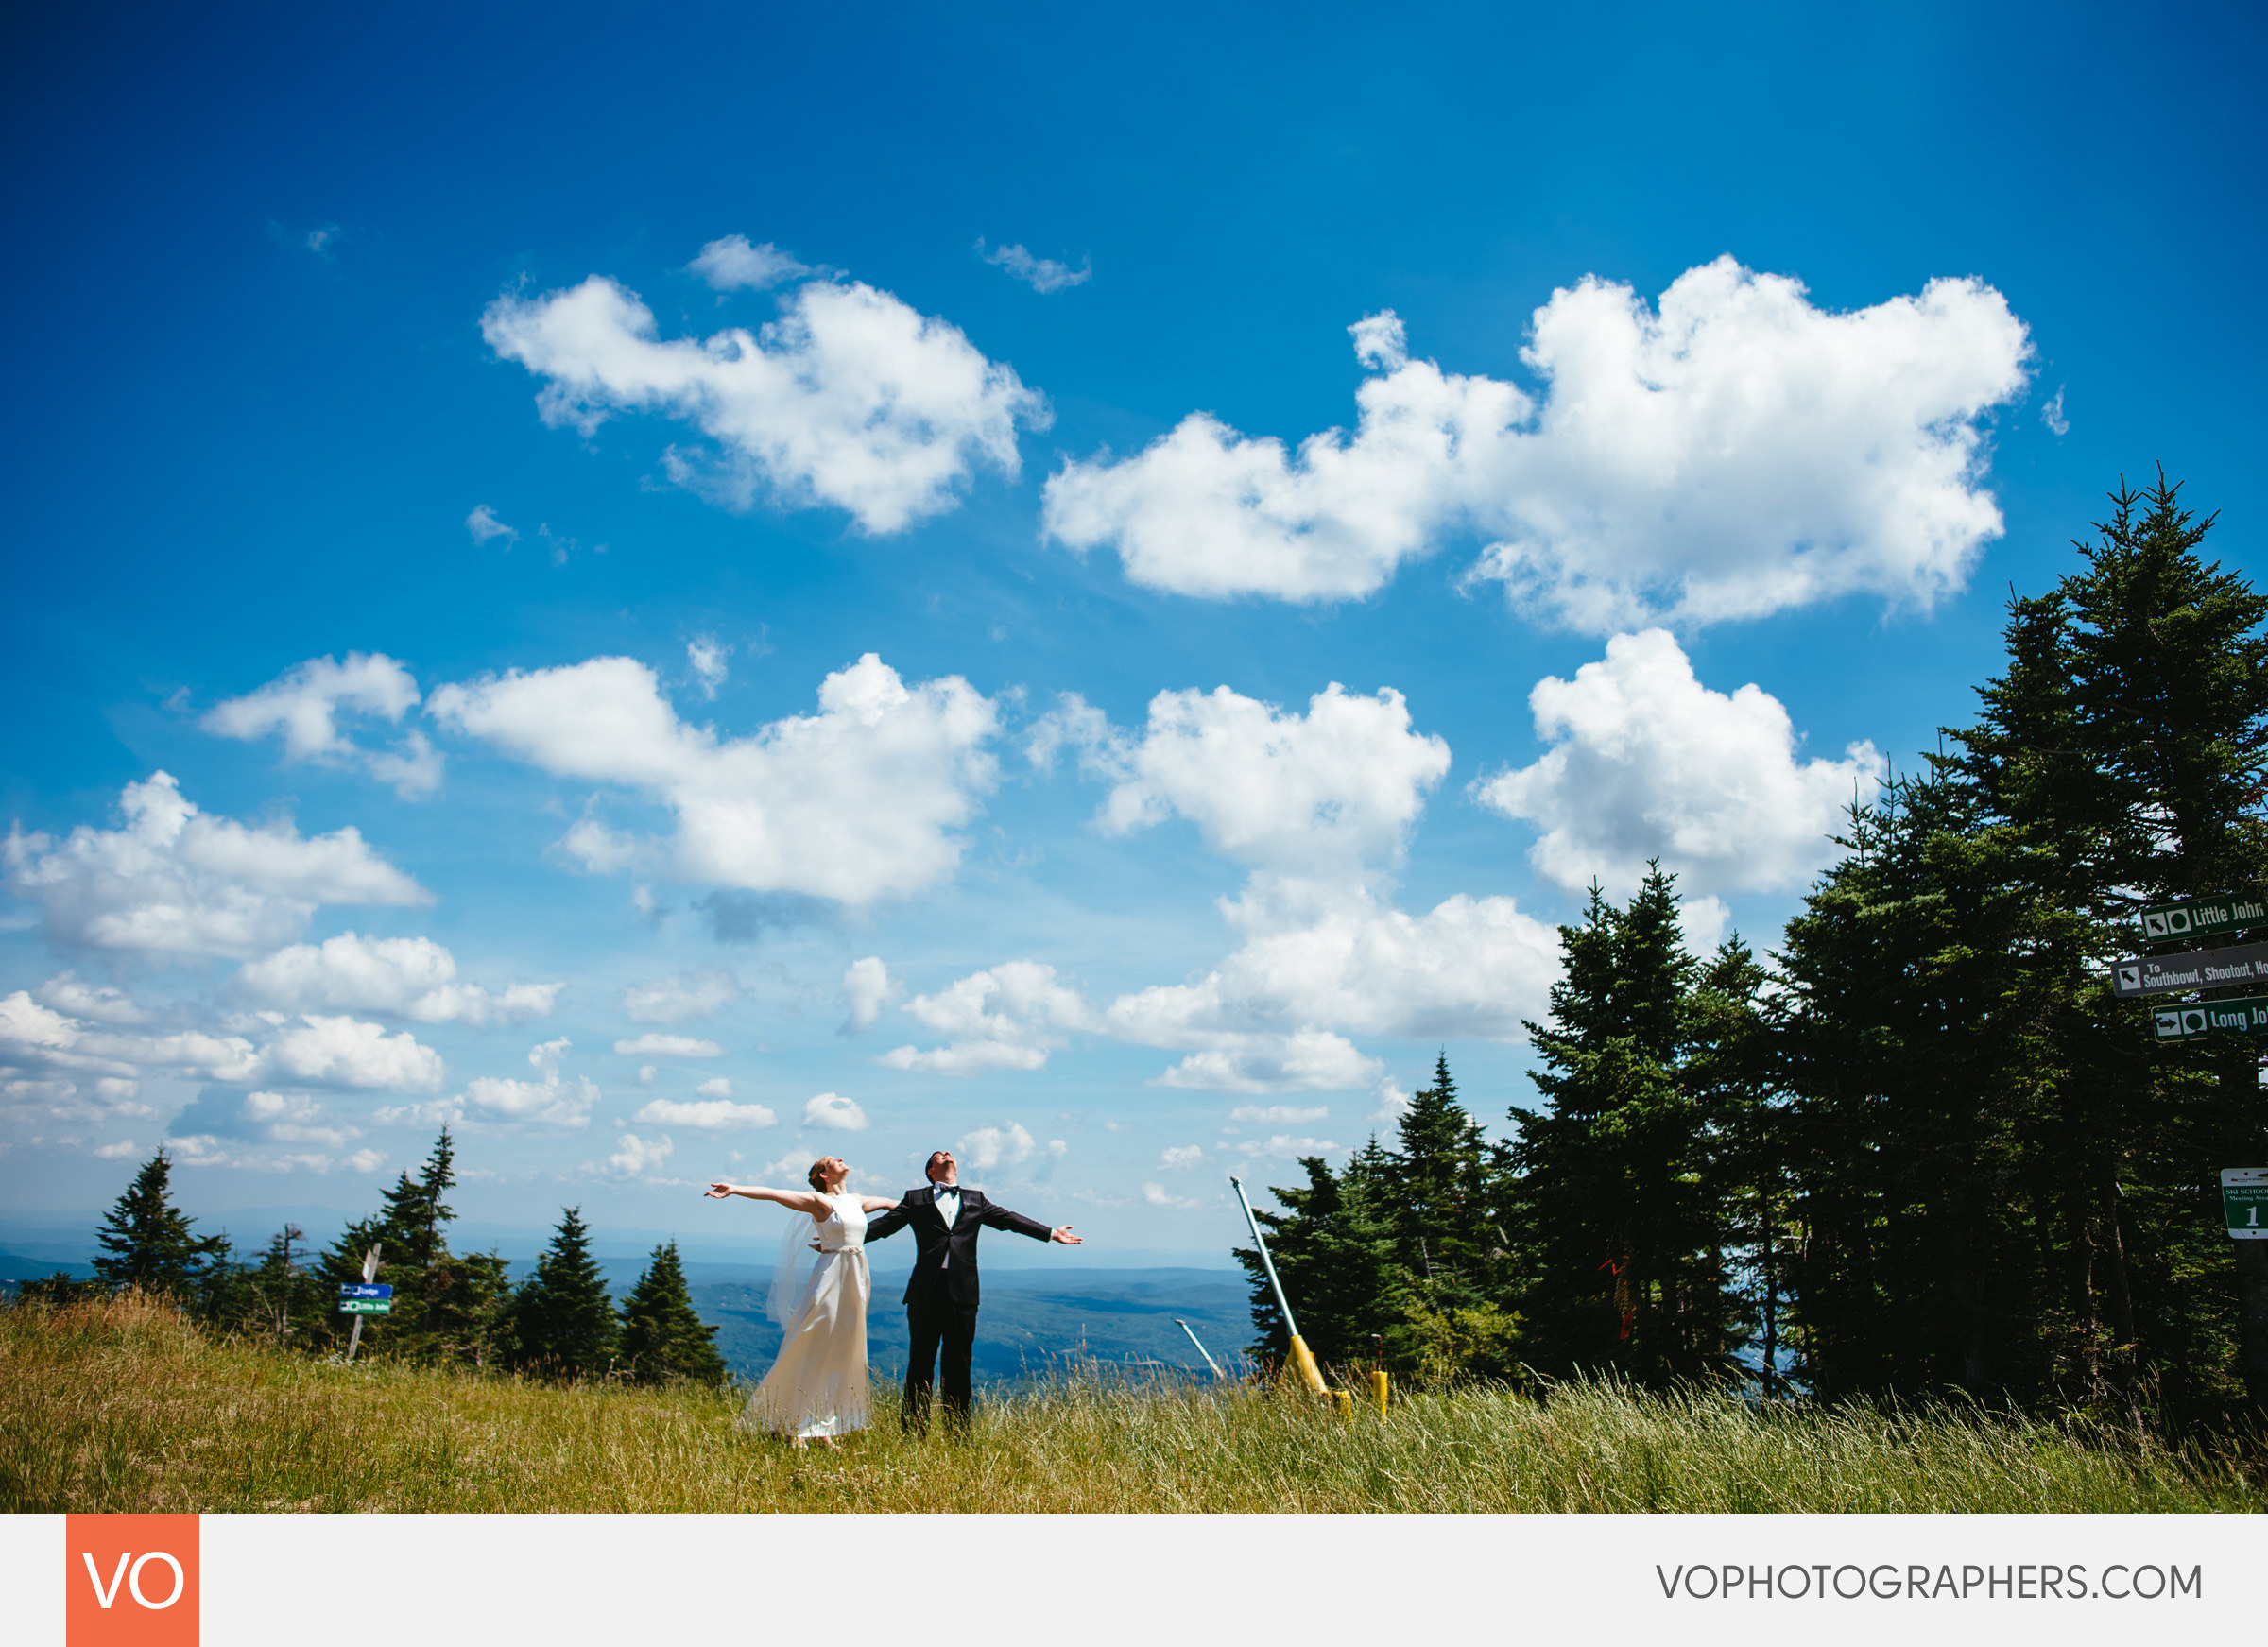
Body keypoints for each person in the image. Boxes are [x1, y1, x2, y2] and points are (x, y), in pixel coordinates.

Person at [863, 1148, 1082, 1434]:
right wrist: (840, 1240)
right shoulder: (915, 1198)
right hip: (925, 1292)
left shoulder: (974, 1199)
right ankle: (914, 1431)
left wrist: (1051, 1233)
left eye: (948, 1153)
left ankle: (959, 1432)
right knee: (920, 1362)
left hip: (963, 1293)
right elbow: (884, 1226)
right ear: (931, 1171)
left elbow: (1009, 1220)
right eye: (938, 1155)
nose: (946, 1154)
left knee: (959, 1364)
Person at [704, 1158, 899, 1449]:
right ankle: (792, 1422)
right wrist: (734, 1189)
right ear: (824, 1174)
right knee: (812, 1343)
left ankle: (822, 1426)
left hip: (856, 1276)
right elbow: (774, 1193)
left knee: (842, 1350)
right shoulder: (819, 1201)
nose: (841, 1160)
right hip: (832, 1272)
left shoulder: (856, 1200)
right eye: (834, 1160)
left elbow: (896, 1204)